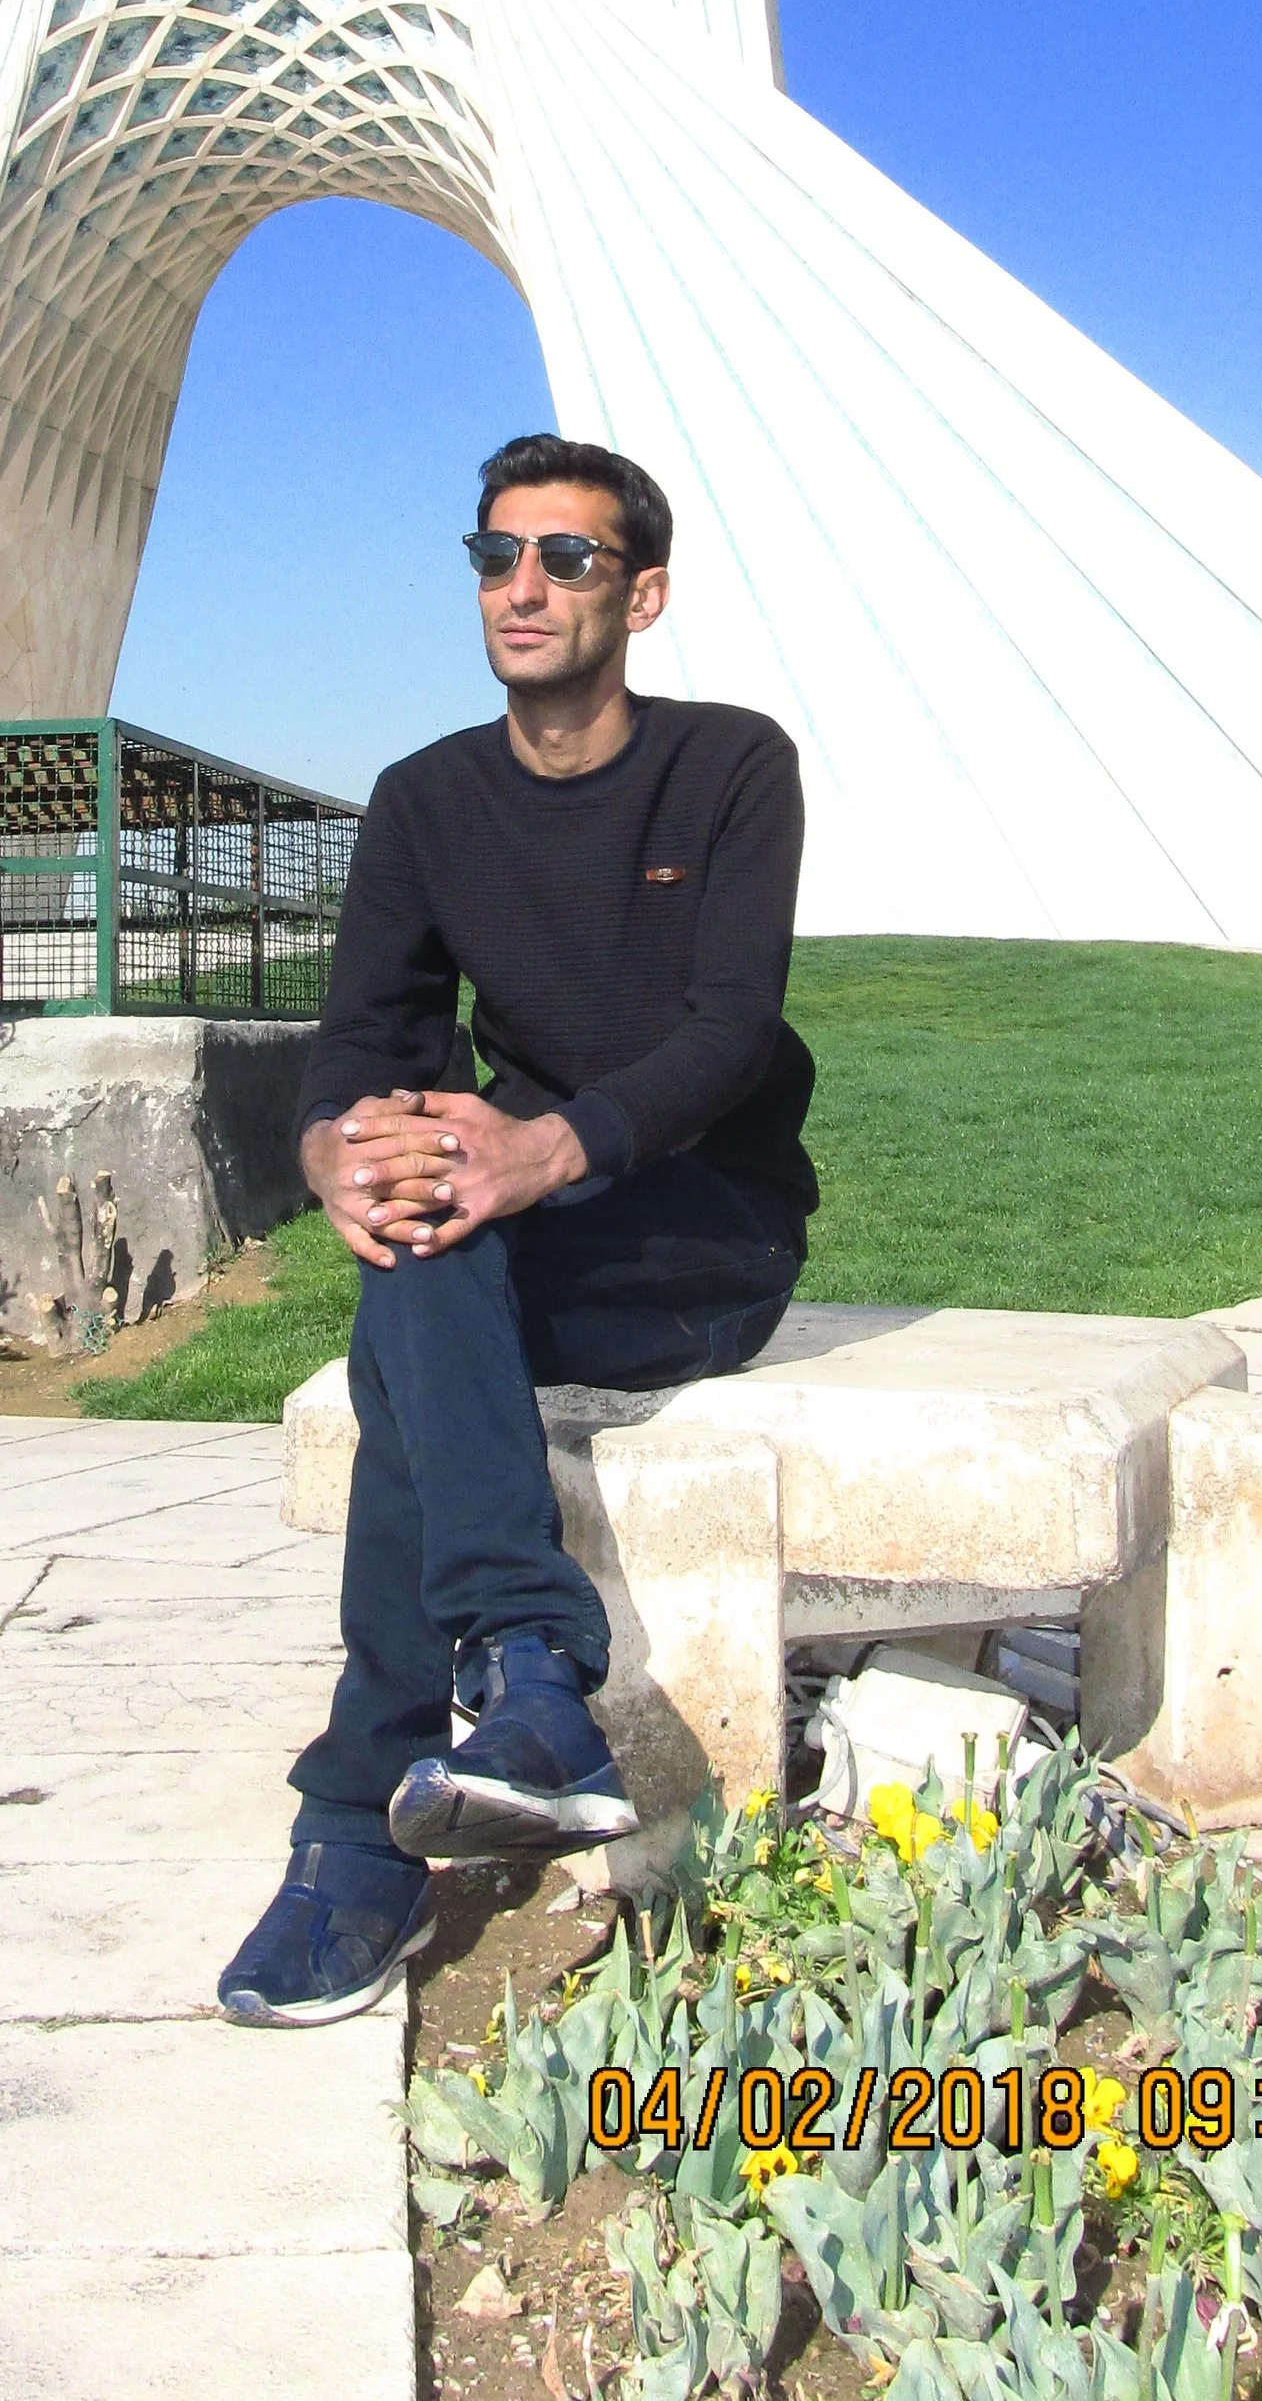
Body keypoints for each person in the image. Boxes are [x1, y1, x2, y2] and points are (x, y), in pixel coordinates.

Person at [217, 432, 816, 2029]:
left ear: (644, 594)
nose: (524, 586)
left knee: (417, 1333)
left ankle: (360, 1827)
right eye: (496, 556)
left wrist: (543, 1149)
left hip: (703, 1228)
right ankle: (535, 1680)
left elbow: (731, 1030)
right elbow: (367, 1032)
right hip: (518, 1224)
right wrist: (339, 1152)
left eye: (567, 557)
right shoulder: (428, 798)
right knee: (418, 1233)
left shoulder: (730, 764)